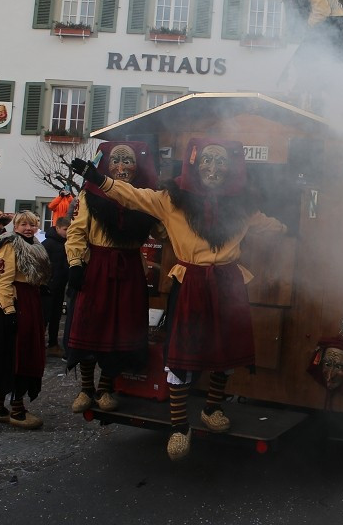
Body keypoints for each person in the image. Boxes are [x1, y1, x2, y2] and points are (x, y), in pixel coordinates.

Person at [71, 139, 287, 460]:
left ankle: (212, 409)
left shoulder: (243, 206)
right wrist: (100, 180)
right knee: (182, 353)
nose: (213, 169)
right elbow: (133, 195)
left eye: (220, 162)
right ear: (195, 166)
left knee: (224, 350)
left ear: (231, 169)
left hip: (229, 283)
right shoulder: (171, 201)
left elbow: (274, 228)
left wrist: (289, 218)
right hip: (191, 283)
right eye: (207, 162)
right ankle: (178, 425)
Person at [65, 143, 160, 413]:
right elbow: (77, 231)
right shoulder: (89, 196)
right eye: (115, 160)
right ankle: (86, 388)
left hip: (128, 268)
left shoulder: (145, 199)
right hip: (97, 265)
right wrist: (75, 263)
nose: (121, 167)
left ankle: (105, 388)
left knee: (119, 331)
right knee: (90, 325)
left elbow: (163, 230)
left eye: (128, 161)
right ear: (105, 165)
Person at [0, 210, 50, 429]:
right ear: (15, 226)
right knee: (15, 356)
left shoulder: (35, 245)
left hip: (28, 302)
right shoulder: (8, 245)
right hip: (13, 305)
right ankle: (17, 410)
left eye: (32, 225)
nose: (28, 228)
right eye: (23, 224)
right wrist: (9, 311)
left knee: (11, 354)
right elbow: (2, 281)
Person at [41, 216, 70, 358]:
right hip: (48, 287)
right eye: (65, 229)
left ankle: (53, 344)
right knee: (45, 317)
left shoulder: (66, 243)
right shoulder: (48, 244)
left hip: (60, 286)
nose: (67, 232)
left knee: (56, 317)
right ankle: (41, 345)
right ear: (57, 228)